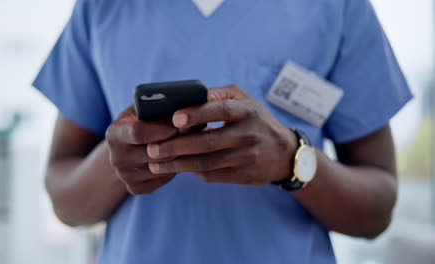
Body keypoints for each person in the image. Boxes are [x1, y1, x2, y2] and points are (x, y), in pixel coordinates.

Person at [33, 0, 413, 263]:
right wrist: (124, 157)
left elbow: (376, 210)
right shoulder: (103, 7)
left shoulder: (337, 7)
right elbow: (65, 202)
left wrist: (292, 161)